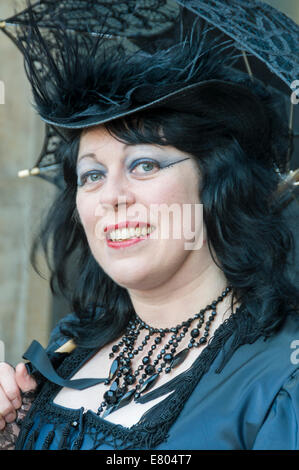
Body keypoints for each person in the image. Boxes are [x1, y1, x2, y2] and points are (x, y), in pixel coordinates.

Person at [0, 0, 299, 450]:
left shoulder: (281, 380)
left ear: (215, 183)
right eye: (92, 175)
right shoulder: (68, 346)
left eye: (143, 165)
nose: (112, 196)